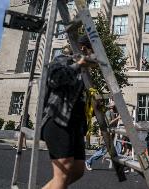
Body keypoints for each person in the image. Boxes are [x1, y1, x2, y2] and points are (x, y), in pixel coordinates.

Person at [41, 35, 94, 189]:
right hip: (58, 120)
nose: (93, 57)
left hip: (75, 125)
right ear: (84, 49)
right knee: (62, 174)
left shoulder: (85, 72)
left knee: (77, 170)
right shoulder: (62, 60)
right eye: (92, 52)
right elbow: (54, 79)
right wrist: (78, 65)